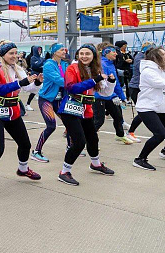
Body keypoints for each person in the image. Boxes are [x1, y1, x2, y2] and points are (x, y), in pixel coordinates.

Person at [0, 40, 43, 197]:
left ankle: (23, 169)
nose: (15, 56)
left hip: (12, 111)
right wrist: (21, 82)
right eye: (11, 53)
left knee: (25, 144)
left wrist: (37, 82)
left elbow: (27, 88)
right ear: (3, 55)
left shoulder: (18, 69)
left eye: (16, 52)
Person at [56, 44, 116, 185]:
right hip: (70, 108)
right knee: (79, 142)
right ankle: (64, 172)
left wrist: (111, 82)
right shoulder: (73, 68)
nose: (84, 56)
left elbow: (105, 92)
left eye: (87, 54)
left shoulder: (96, 69)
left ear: (93, 56)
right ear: (77, 55)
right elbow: (71, 87)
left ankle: (95, 164)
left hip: (86, 109)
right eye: (81, 53)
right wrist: (95, 80)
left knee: (93, 139)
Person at [31, 43, 70, 163]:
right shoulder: (48, 65)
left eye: (64, 50)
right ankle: (36, 152)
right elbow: (59, 80)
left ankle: (70, 147)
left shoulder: (64, 64)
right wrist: (75, 85)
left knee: (70, 122)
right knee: (51, 126)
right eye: (61, 50)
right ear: (55, 52)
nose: (64, 51)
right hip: (46, 99)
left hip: (59, 99)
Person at [94, 45, 134, 144]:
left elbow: (115, 83)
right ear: (106, 52)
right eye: (114, 52)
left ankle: (120, 135)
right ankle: (88, 139)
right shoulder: (102, 64)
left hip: (110, 95)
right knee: (99, 120)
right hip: (99, 96)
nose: (116, 53)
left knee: (118, 116)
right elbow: (104, 84)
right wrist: (116, 95)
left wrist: (122, 97)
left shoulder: (110, 64)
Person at [133, 47, 165, 170]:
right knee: (160, 134)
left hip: (159, 106)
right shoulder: (148, 71)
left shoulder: (161, 69)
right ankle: (140, 159)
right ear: (155, 57)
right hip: (147, 107)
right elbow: (160, 83)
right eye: (163, 54)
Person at [127, 41, 155, 143]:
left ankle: (158, 130)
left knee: (150, 110)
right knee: (144, 111)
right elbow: (144, 70)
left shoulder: (145, 57)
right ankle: (130, 132)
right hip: (136, 88)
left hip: (142, 88)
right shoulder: (140, 58)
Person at [25, 45, 44, 111]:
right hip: (35, 75)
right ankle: (28, 104)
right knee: (33, 91)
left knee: (39, 89)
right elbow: (36, 66)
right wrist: (43, 63)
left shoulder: (41, 58)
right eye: (38, 50)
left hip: (41, 75)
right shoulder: (33, 57)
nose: (40, 51)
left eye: (40, 50)